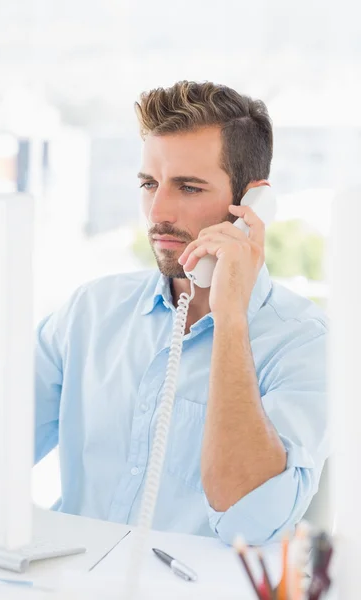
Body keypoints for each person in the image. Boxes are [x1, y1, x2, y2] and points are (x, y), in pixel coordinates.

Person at [35, 81, 328, 545]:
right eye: (149, 184)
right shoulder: (89, 312)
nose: (159, 212)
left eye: (188, 187)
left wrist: (230, 316)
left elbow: (248, 523)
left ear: (251, 204)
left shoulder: (307, 342)